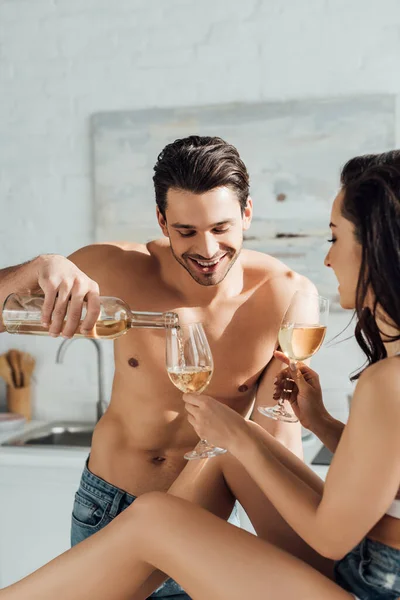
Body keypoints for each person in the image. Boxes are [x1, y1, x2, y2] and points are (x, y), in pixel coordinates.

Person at [1, 150, 399, 600]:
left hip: (211, 522)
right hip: (113, 508)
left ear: (247, 213)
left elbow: (277, 446)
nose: (207, 250)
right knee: (175, 496)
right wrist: (37, 270)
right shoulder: (114, 269)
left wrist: (245, 438)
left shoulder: (288, 295)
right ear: (161, 219)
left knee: (209, 466)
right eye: (187, 231)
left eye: (221, 228)